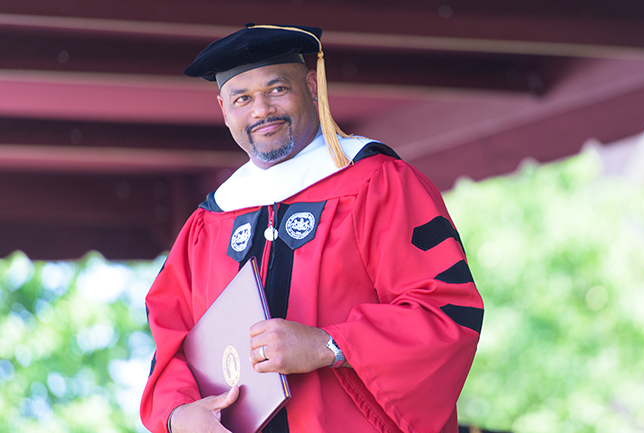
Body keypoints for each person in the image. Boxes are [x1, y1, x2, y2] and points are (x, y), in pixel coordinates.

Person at [140, 24, 484, 433]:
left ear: (310, 85)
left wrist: (329, 345)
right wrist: (178, 414)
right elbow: (171, 340)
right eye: (242, 98)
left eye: (277, 90)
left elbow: (446, 313)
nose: (261, 110)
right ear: (223, 109)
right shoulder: (210, 222)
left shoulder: (378, 184)